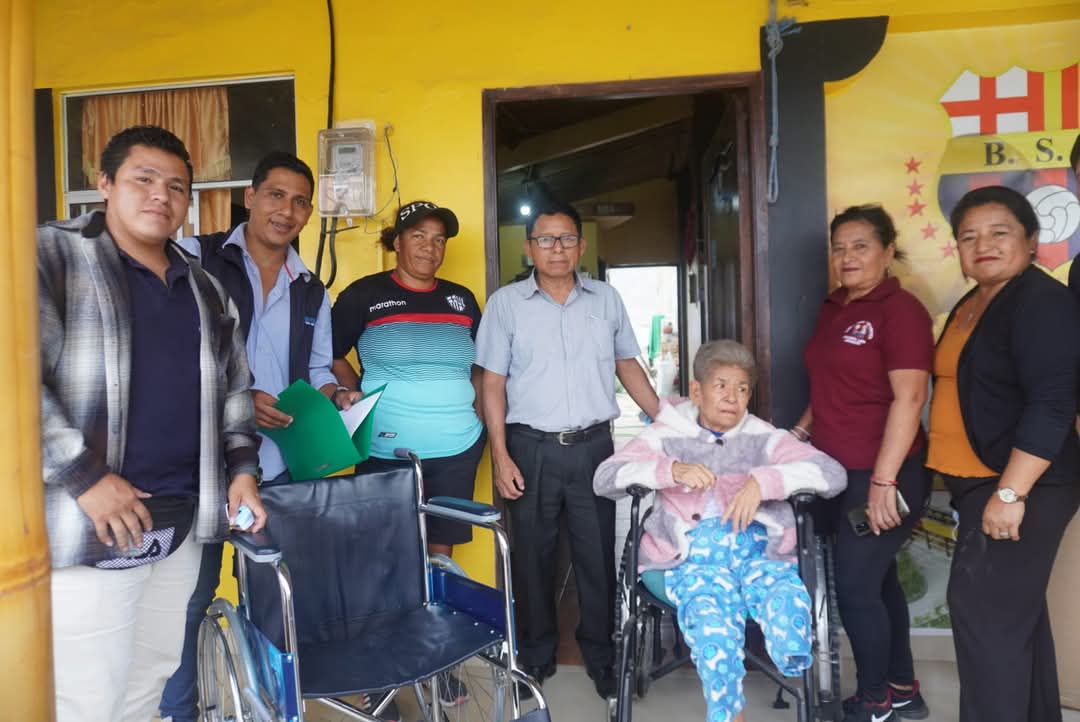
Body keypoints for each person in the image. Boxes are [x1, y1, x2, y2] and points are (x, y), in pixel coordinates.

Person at [39, 125, 266, 721]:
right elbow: (13, 382)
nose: (161, 195)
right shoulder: (52, 256)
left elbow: (235, 390)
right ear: (105, 183)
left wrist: (243, 472)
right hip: (92, 524)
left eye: (177, 186)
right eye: (143, 179)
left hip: (179, 521)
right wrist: (86, 478)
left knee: (152, 682)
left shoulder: (204, 286)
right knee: (89, 698)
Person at [159, 151, 363, 722]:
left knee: (274, 593)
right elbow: (168, 349)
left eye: (300, 202)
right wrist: (240, 398)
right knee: (191, 599)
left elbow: (318, 369)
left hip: (276, 467)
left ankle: (274, 704)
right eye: (276, 195)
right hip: (201, 468)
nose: (286, 211)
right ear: (249, 197)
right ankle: (180, 712)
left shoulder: (311, 289)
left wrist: (337, 398)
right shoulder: (195, 257)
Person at [594, 339, 846, 722]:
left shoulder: (763, 436)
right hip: (690, 561)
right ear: (697, 391)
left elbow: (832, 474)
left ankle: (790, 655)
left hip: (759, 554)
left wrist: (764, 481)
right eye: (722, 386)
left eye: (742, 389)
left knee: (785, 598)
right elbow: (605, 478)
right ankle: (731, 714)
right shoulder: (667, 433)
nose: (732, 397)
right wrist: (670, 470)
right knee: (712, 623)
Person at [475, 197, 660, 699]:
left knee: (595, 555)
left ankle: (601, 656)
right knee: (533, 558)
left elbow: (626, 364)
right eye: (545, 239)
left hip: (593, 448)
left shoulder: (606, 300)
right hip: (529, 447)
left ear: (580, 246)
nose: (556, 248)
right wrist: (501, 455)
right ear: (529, 247)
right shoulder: (505, 305)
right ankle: (535, 658)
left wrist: (666, 419)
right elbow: (492, 383)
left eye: (565, 239)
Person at [927, 185, 1080, 722]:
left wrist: (1011, 493)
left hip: (1022, 485)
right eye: (968, 237)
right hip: (983, 482)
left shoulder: (1040, 301)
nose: (983, 245)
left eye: (999, 233)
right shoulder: (978, 300)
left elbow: (1053, 402)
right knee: (1012, 621)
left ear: (1031, 241)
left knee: (985, 621)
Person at [331, 200, 485, 707]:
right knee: (386, 564)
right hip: (387, 450)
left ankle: (438, 665)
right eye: (418, 236)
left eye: (439, 239)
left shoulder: (462, 300)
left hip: (457, 448)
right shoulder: (365, 295)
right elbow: (326, 353)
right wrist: (352, 391)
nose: (429, 248)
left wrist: (478, 416)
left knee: (439, 561)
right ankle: (383, 677)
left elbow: (479, 366)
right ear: (396, 242)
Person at [796, 205, 934, 722]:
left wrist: (883, 480)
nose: (847, 257)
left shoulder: (901, 311)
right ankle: (902, 688)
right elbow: (829, 385)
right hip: (838, 473)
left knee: (855, 588)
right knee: (878, 581)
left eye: (860, 246)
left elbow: (910, 397)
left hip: (883, 474)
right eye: (838, 248)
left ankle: (874, 700)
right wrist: (799, 433)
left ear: (888, 251)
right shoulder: (834, 307)